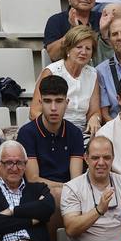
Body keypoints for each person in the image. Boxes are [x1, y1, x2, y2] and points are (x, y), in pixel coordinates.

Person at [22, 71, 90, 200]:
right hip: (37, 196)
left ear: (67, 102)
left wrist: (67, 190)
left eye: (59, 101)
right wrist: (65, 188)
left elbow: (76, 178)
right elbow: (33, 179)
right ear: (40, 102)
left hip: (71, 196)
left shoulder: (74, 133)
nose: (53, 108)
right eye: (48, 101)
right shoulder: (27, 133)